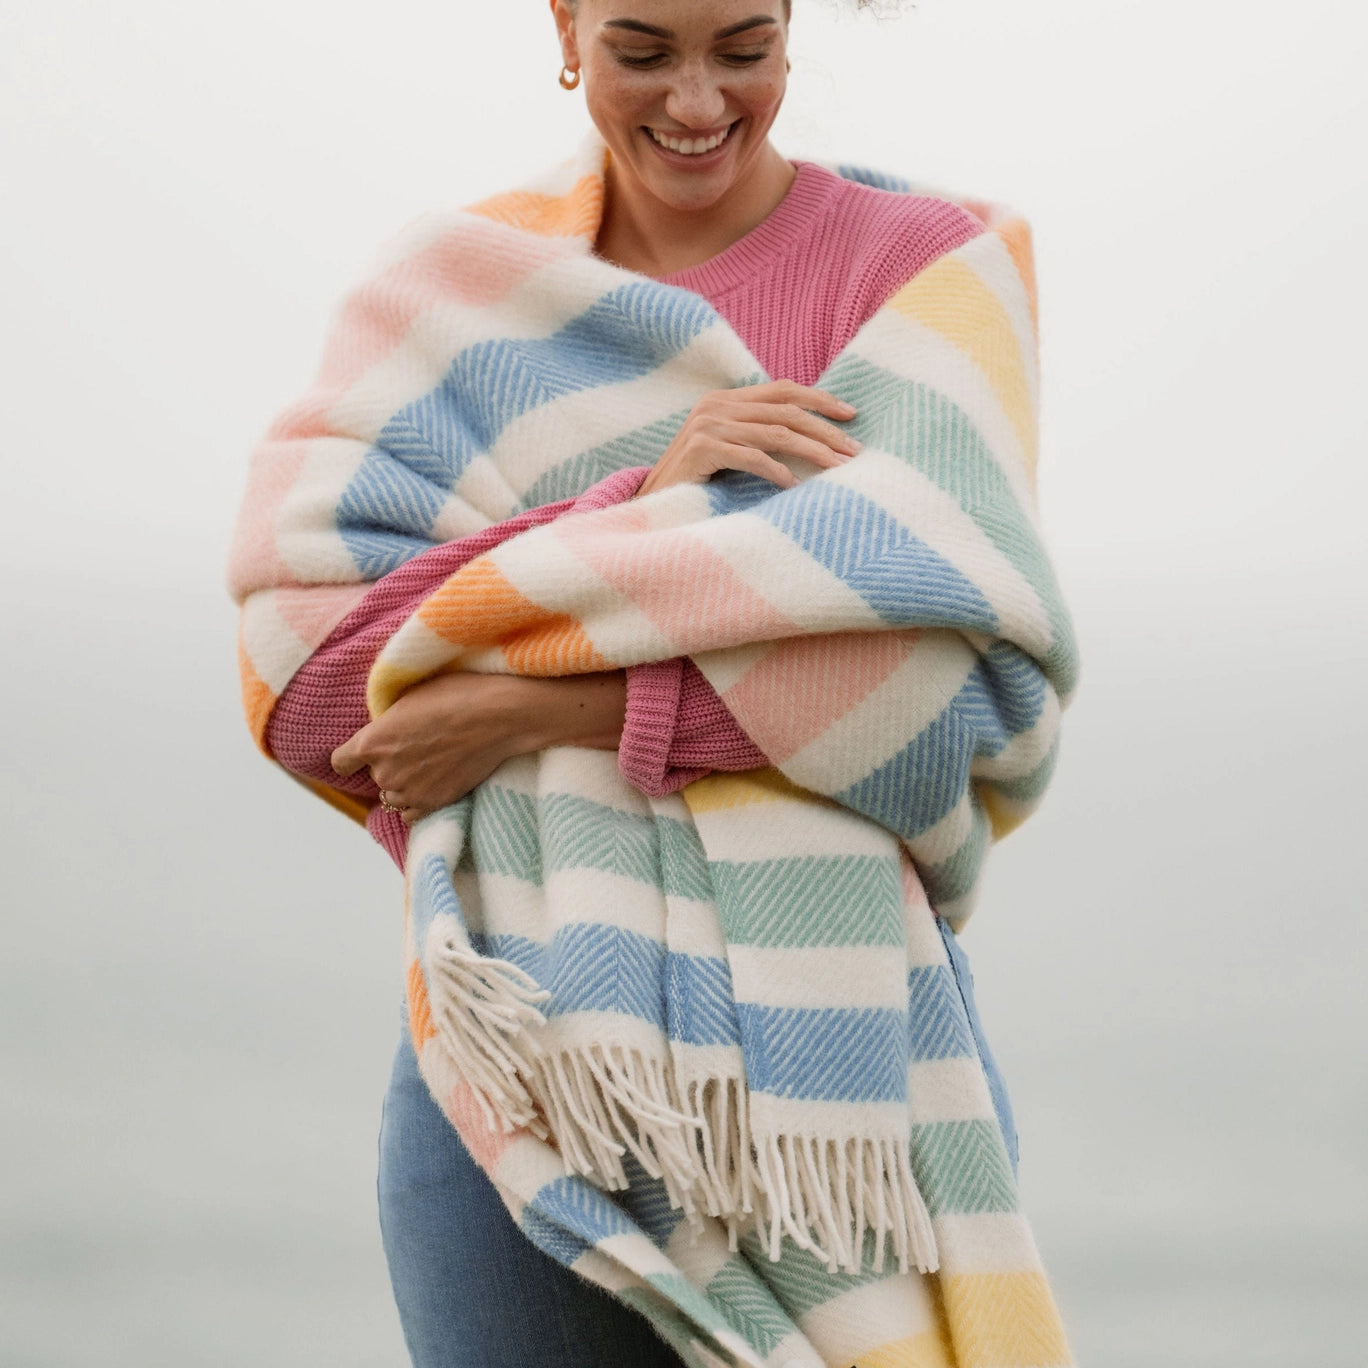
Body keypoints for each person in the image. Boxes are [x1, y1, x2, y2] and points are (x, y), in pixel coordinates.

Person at [229, 2, 1075, 1364]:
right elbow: (321, 690)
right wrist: (650, 500)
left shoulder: (921, 275)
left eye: (741, 50)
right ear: (566, 25)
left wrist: (548, 704)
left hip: (851, 1097)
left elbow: (951, 701)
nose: (696, 103)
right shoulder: (456, 299)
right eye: (643, 51)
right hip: (519, 1068)